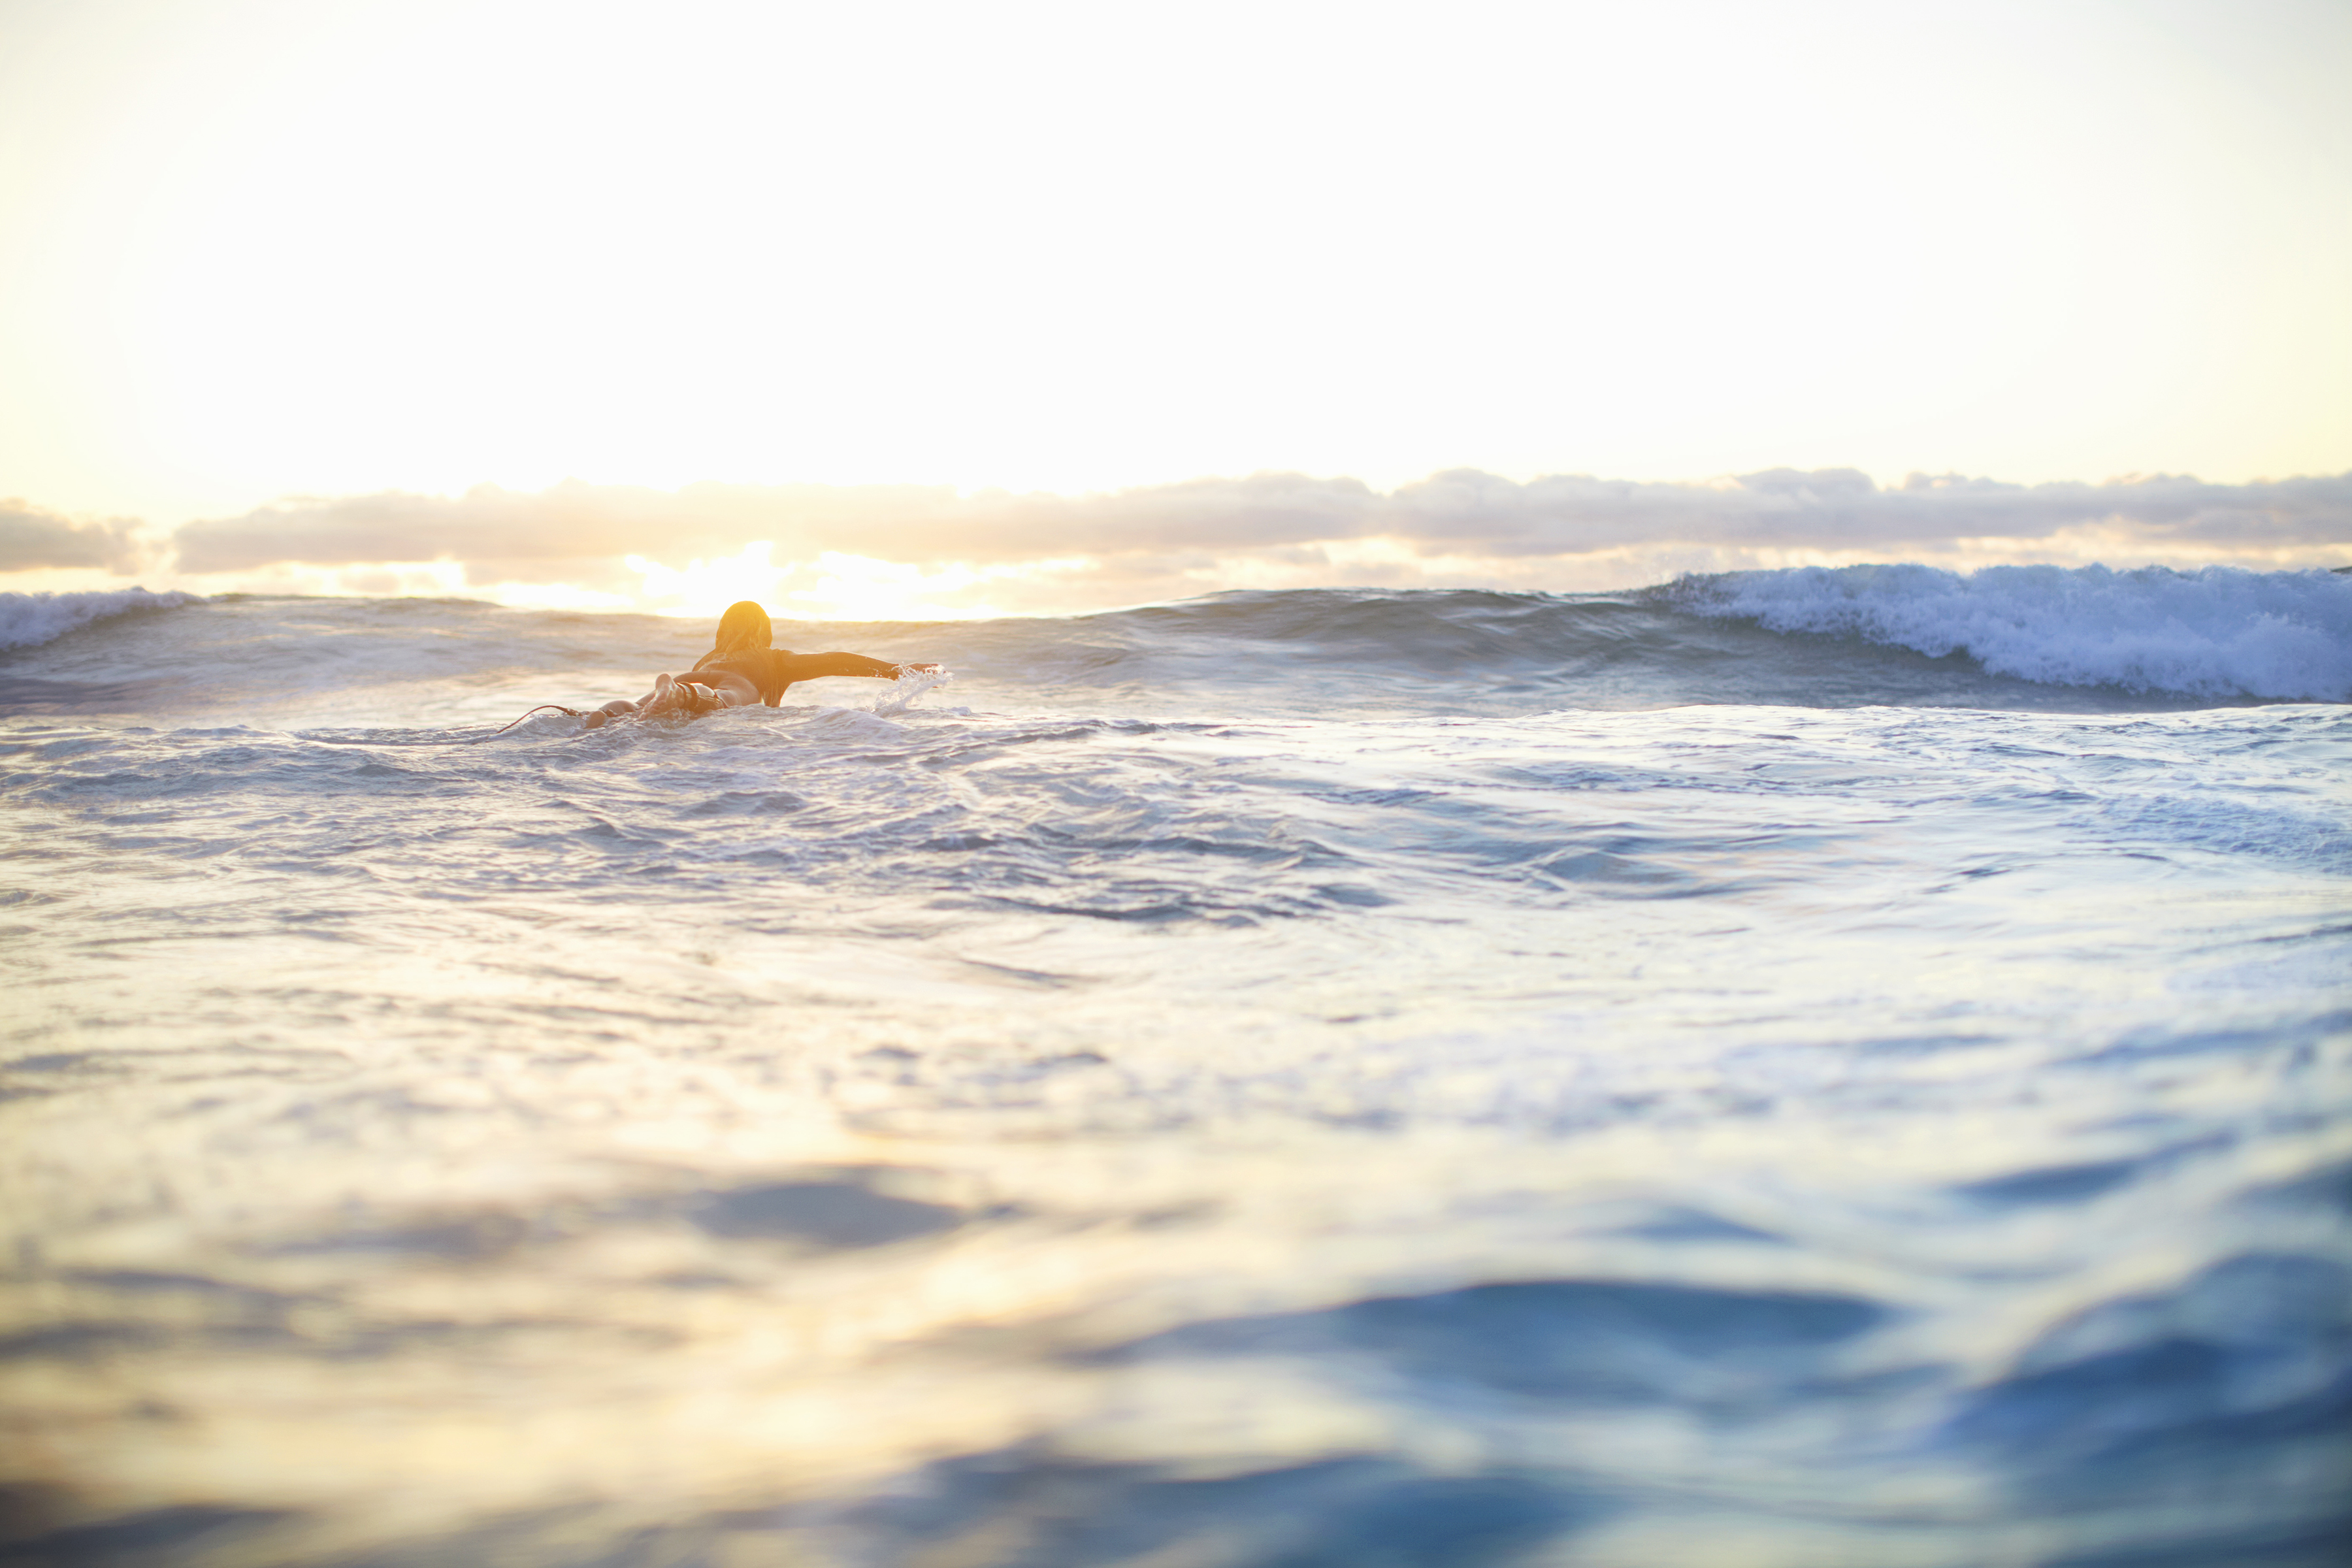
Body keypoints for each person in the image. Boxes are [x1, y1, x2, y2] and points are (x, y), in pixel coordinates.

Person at [576, 601, 939, 729]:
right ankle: (685, 694)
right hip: (726, 683)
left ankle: (606, 714)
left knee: (639, 707)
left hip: (691, 675)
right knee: (723, 699)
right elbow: (834, 661)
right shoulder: (773, 659)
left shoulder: (709, 657)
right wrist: (895, 670)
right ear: (764, 632)